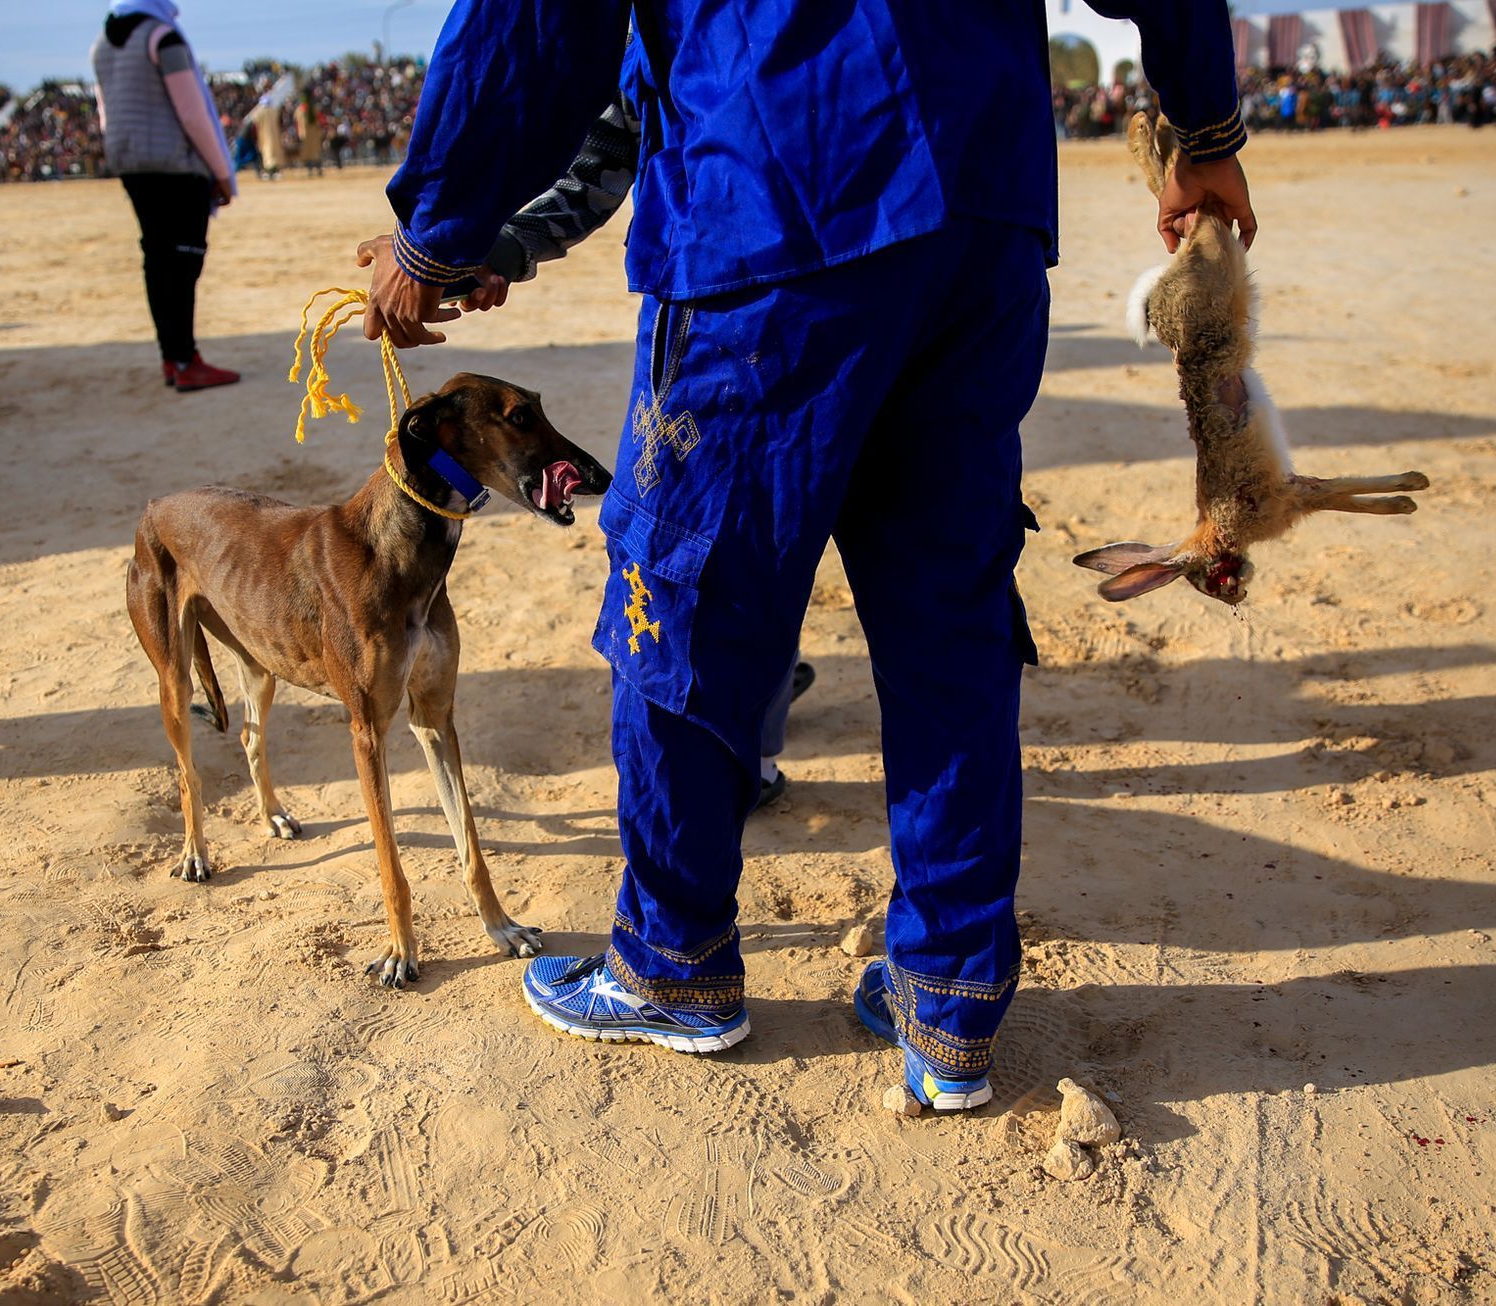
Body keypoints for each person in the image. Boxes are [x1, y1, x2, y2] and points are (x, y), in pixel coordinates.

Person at [359, 1, 1254, 1111]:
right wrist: (1203, 133)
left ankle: (673, 961)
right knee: (948, 613)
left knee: (683, 597)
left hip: (775, 191)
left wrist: (435, 233)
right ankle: (950, 1001)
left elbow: (540, 21)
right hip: (982, 210)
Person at [465, 86, 815, 812]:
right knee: (925, 572)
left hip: (738, 281)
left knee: (712, 535)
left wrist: (445, 241)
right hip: (949, 259)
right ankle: (765, 704)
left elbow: (603, 144)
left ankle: (736, 754)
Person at [91, 0, 240, 392]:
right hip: (176, 166)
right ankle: (187, 359)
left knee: (157, 259)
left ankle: (171, 357)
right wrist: (222, 172)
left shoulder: (102, 43)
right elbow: (193, 114)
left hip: (131, 163)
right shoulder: (163, 37)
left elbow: (105, 112)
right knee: (183, 263)